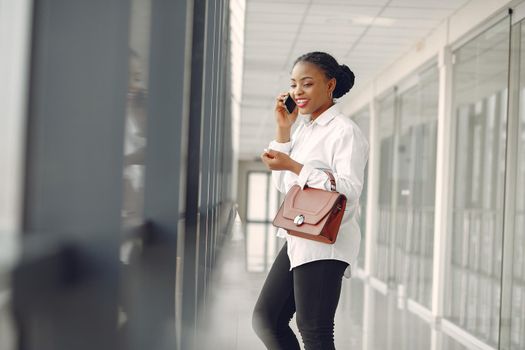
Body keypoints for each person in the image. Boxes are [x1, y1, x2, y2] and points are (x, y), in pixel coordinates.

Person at [252, 51, 369, 350]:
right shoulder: (304, 130)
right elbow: (285, 185)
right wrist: (283, 129)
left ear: (330, 85)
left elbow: (348, 189)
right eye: (293, 84)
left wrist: (294, 165)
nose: (297, 92)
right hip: (298, 236)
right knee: (266, 319)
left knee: (314, 330)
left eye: (306, 84)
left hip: (326, 241)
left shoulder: (345, 132)